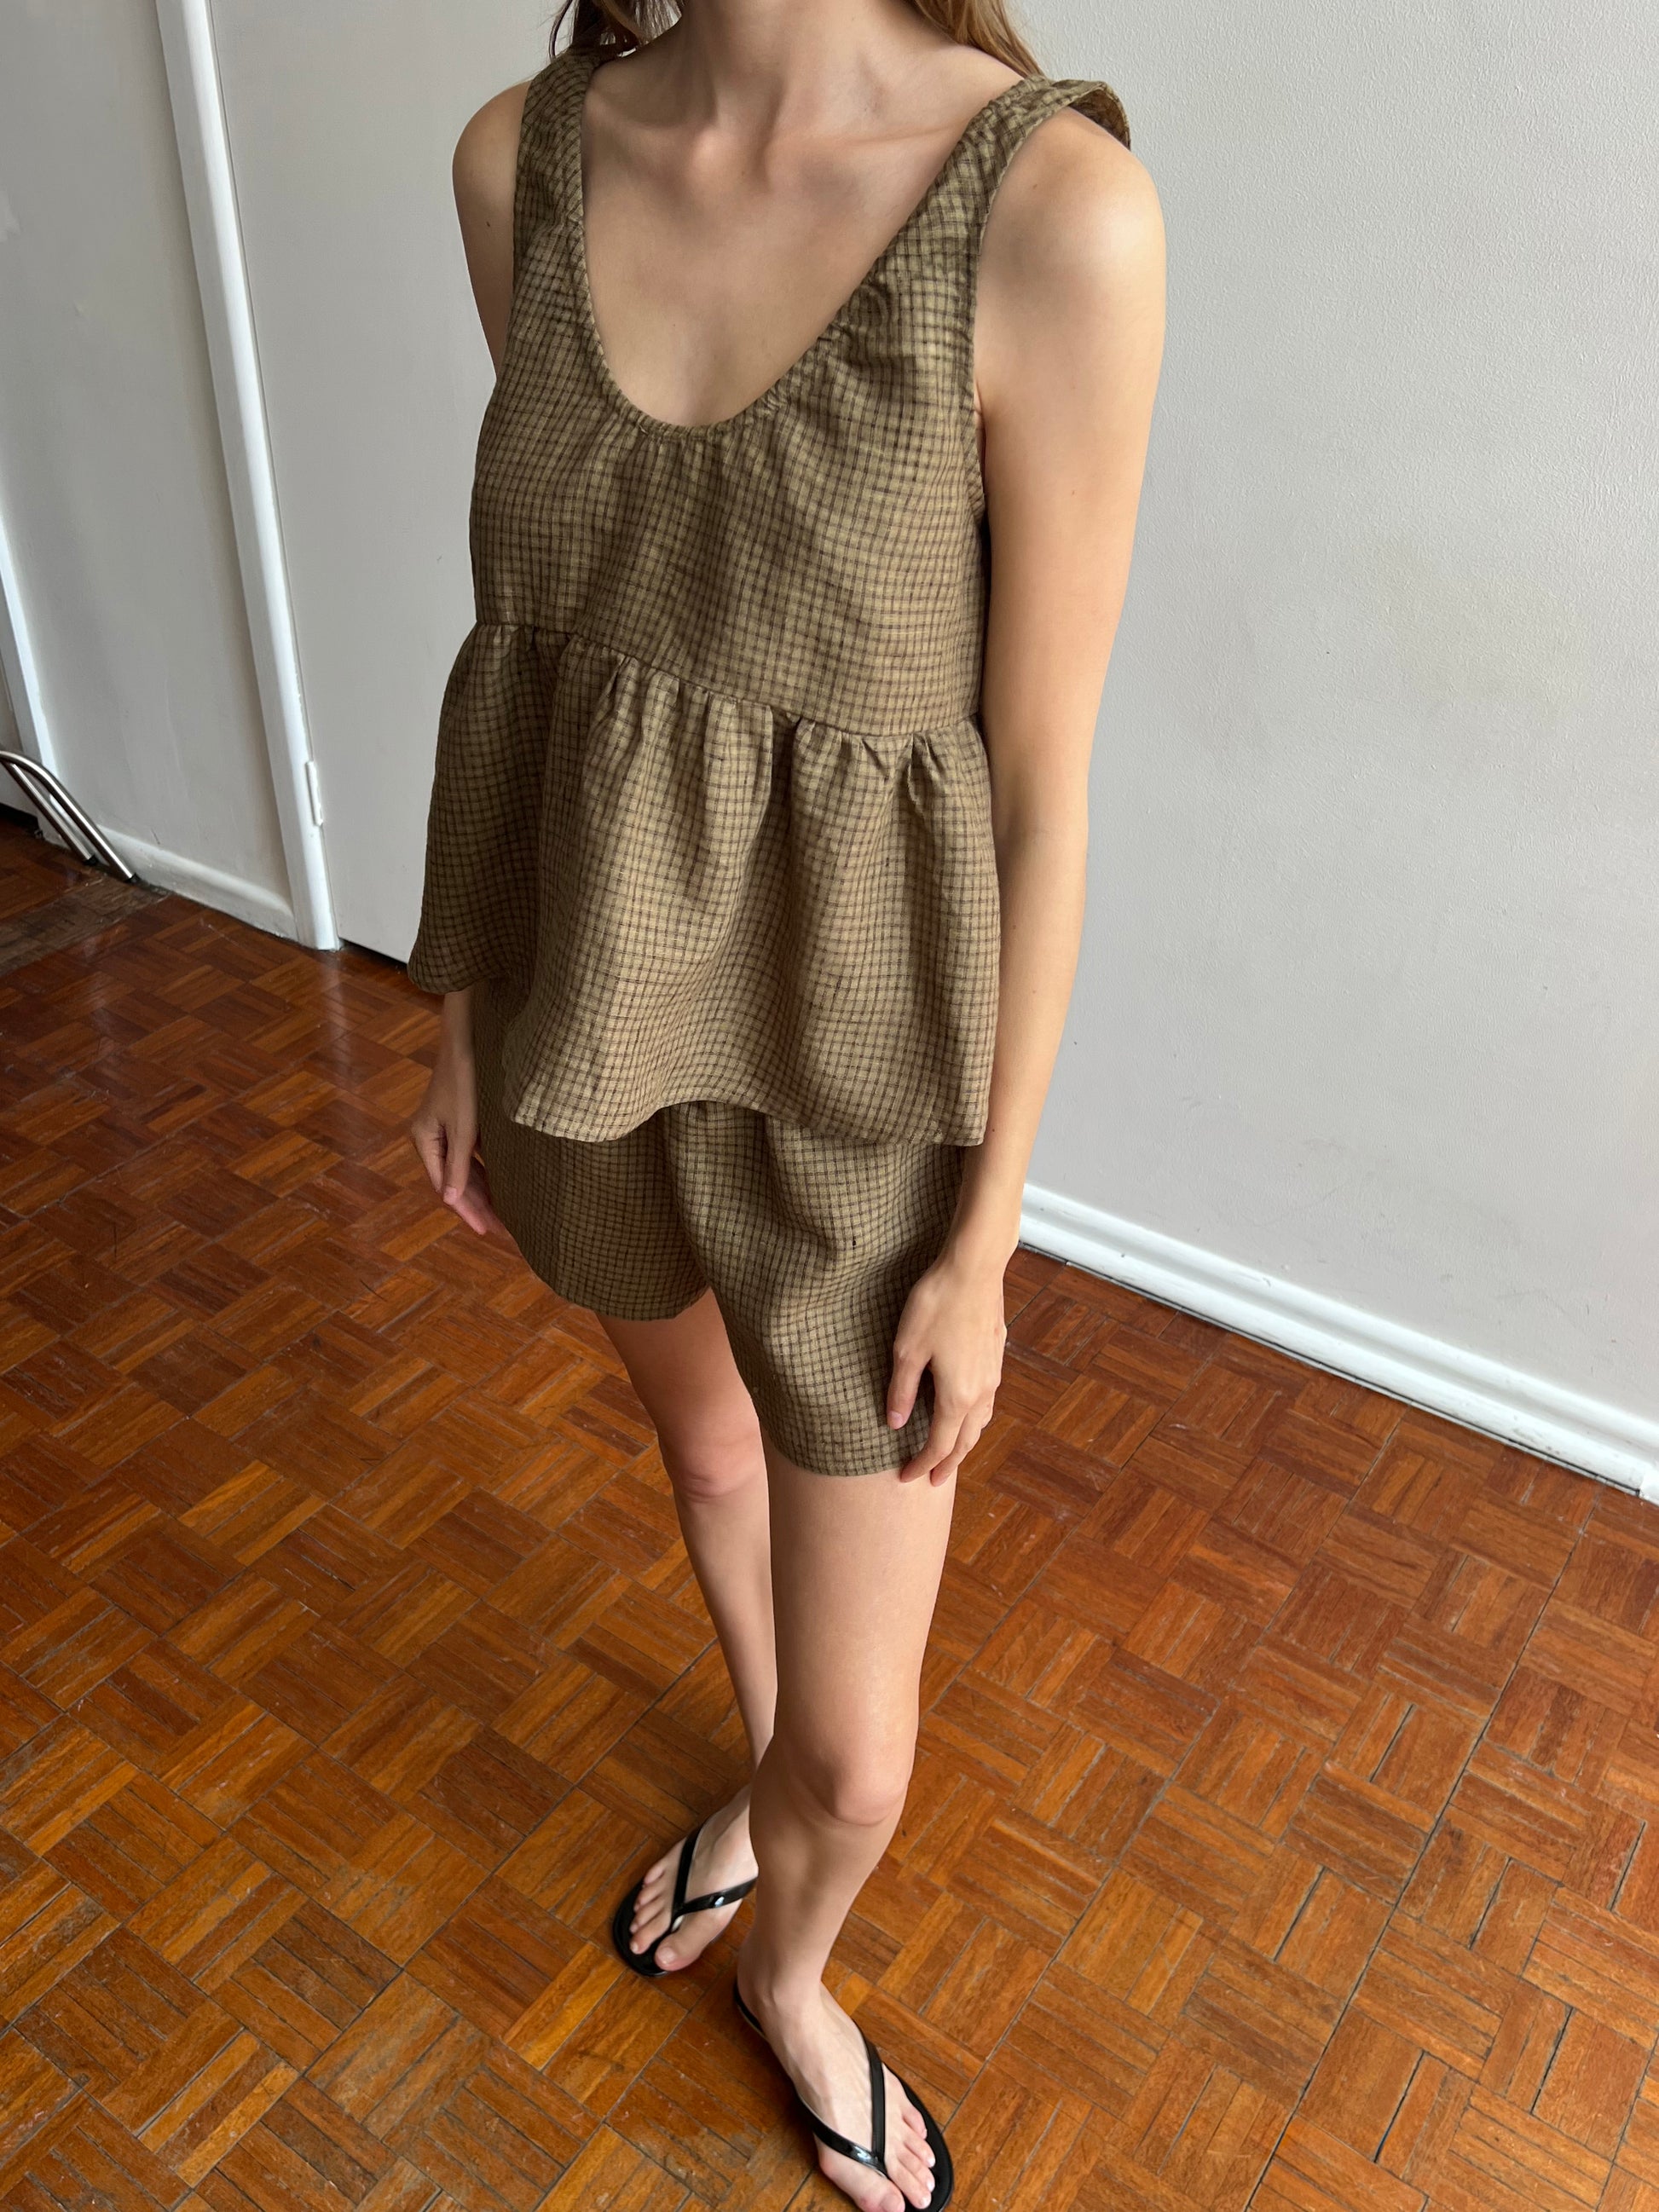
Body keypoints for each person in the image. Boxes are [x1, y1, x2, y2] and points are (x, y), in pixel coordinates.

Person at [408, 2, 1163, 2203]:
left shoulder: (1052, 217)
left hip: (865, 1107)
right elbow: (544, 642)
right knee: (707, 1448)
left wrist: (986, 1233)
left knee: (856, 1761)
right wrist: (464, 1011)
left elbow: (1042, 791)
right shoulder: (517, 166)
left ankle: (793, 1971)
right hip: (589, 1013)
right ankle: (743, 1792)